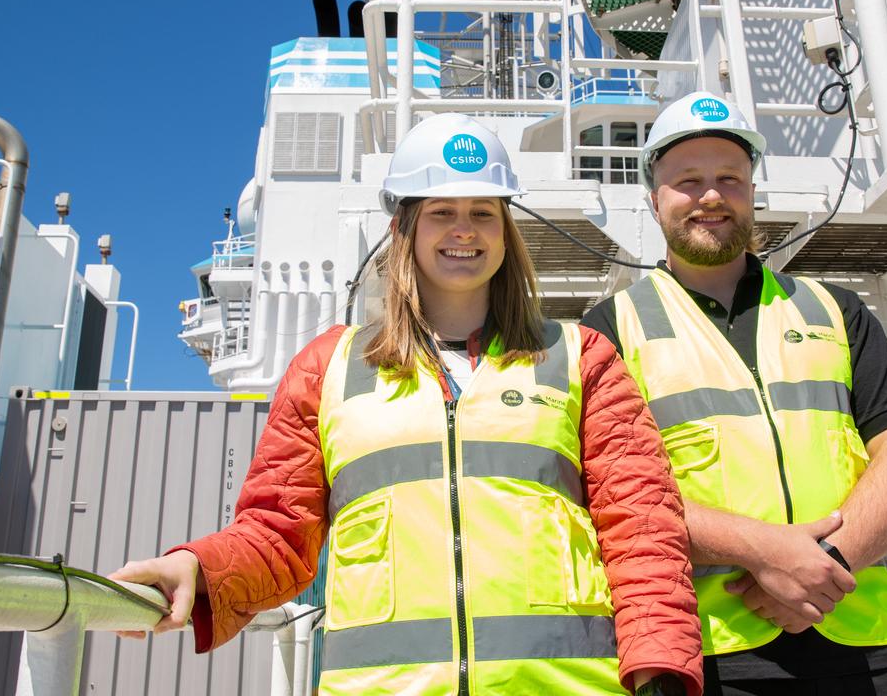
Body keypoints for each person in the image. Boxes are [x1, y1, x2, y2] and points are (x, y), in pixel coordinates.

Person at [112, 113, 703, 696]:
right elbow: (277, 533)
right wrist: (199, 568)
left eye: (482, 213)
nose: (464, 230)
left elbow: (642, 527)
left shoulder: (581, 357)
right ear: (406, 229)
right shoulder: (328, 368)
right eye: (441, 213)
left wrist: (661, 670)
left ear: (505, 232)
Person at [580, 92, 887, 695]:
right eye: (687, 181)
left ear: (751, 190)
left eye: (729, 178)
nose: (711, 195)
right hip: (712, 648)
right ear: (654, 199)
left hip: (869, 642)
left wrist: (829, 567)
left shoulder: (834, 310)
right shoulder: (608, 331)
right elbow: (611, 494)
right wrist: (771, 554)